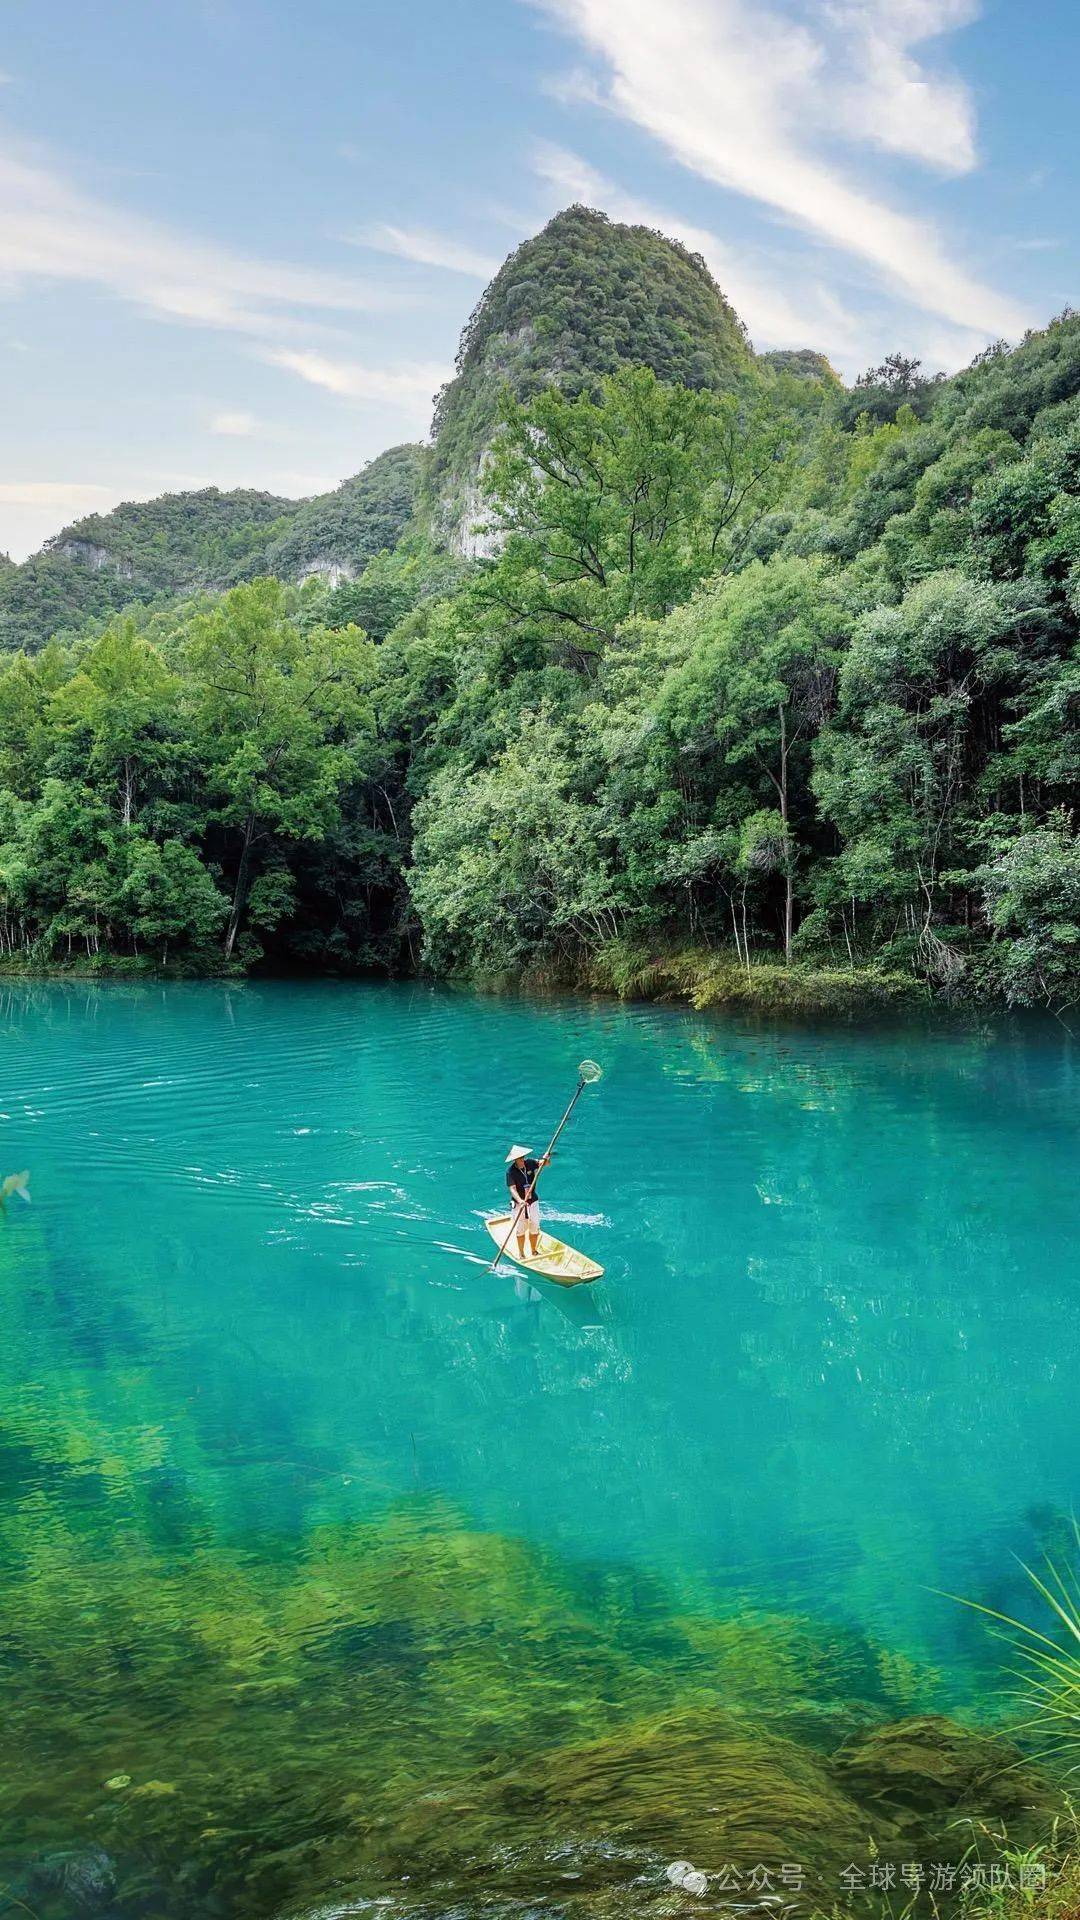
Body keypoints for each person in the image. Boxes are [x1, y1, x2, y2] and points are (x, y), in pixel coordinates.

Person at [504, 1144, 550, 1261]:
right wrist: (520, 1201)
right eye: (520, 1158)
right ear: (515, 1159)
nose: (522, 1160)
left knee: (534, 1225)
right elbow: (512, 1189)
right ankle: (521, 1253)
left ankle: (534, 1251)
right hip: (519, 1204)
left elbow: (544, 1164)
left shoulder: (530, 1162)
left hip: (532, 1200)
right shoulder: (510, 1172)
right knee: (521, 1228)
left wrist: (546, 1159)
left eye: (523, 1157)